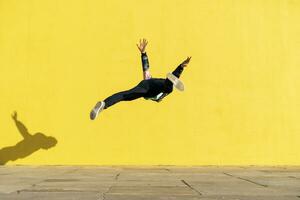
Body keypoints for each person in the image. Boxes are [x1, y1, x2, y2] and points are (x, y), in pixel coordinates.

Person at [90, 39, 191, 120]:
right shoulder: (159, 92)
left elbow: (146, 69)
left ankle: (104, 104)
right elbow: (147, 71)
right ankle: (175, 74)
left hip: (148, 86)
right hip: (155, 86)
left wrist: (143, 54)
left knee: (124, 95)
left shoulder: (148, 88)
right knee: (168, 88)